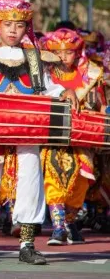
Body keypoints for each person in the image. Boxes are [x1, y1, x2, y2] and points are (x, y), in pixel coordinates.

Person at [0, 0, 78, 265]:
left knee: (31, 180)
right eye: (7, 24)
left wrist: (67, 90)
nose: (13, 30)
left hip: (28, 131)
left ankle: (27, 244)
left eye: (19, 25)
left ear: (27, 28)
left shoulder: (35, 59)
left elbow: (50, 89)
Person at [39, 28, 106, 246]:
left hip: (82, 139)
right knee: (53, 178)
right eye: (57, 52)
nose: (62, 57)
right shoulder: (43, 75)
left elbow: (99, 106)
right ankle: (57, 227)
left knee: (80, 183)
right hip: (53, 139)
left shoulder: (91, 75)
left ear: (77, 53)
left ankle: (68, 223)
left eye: (68, 52)